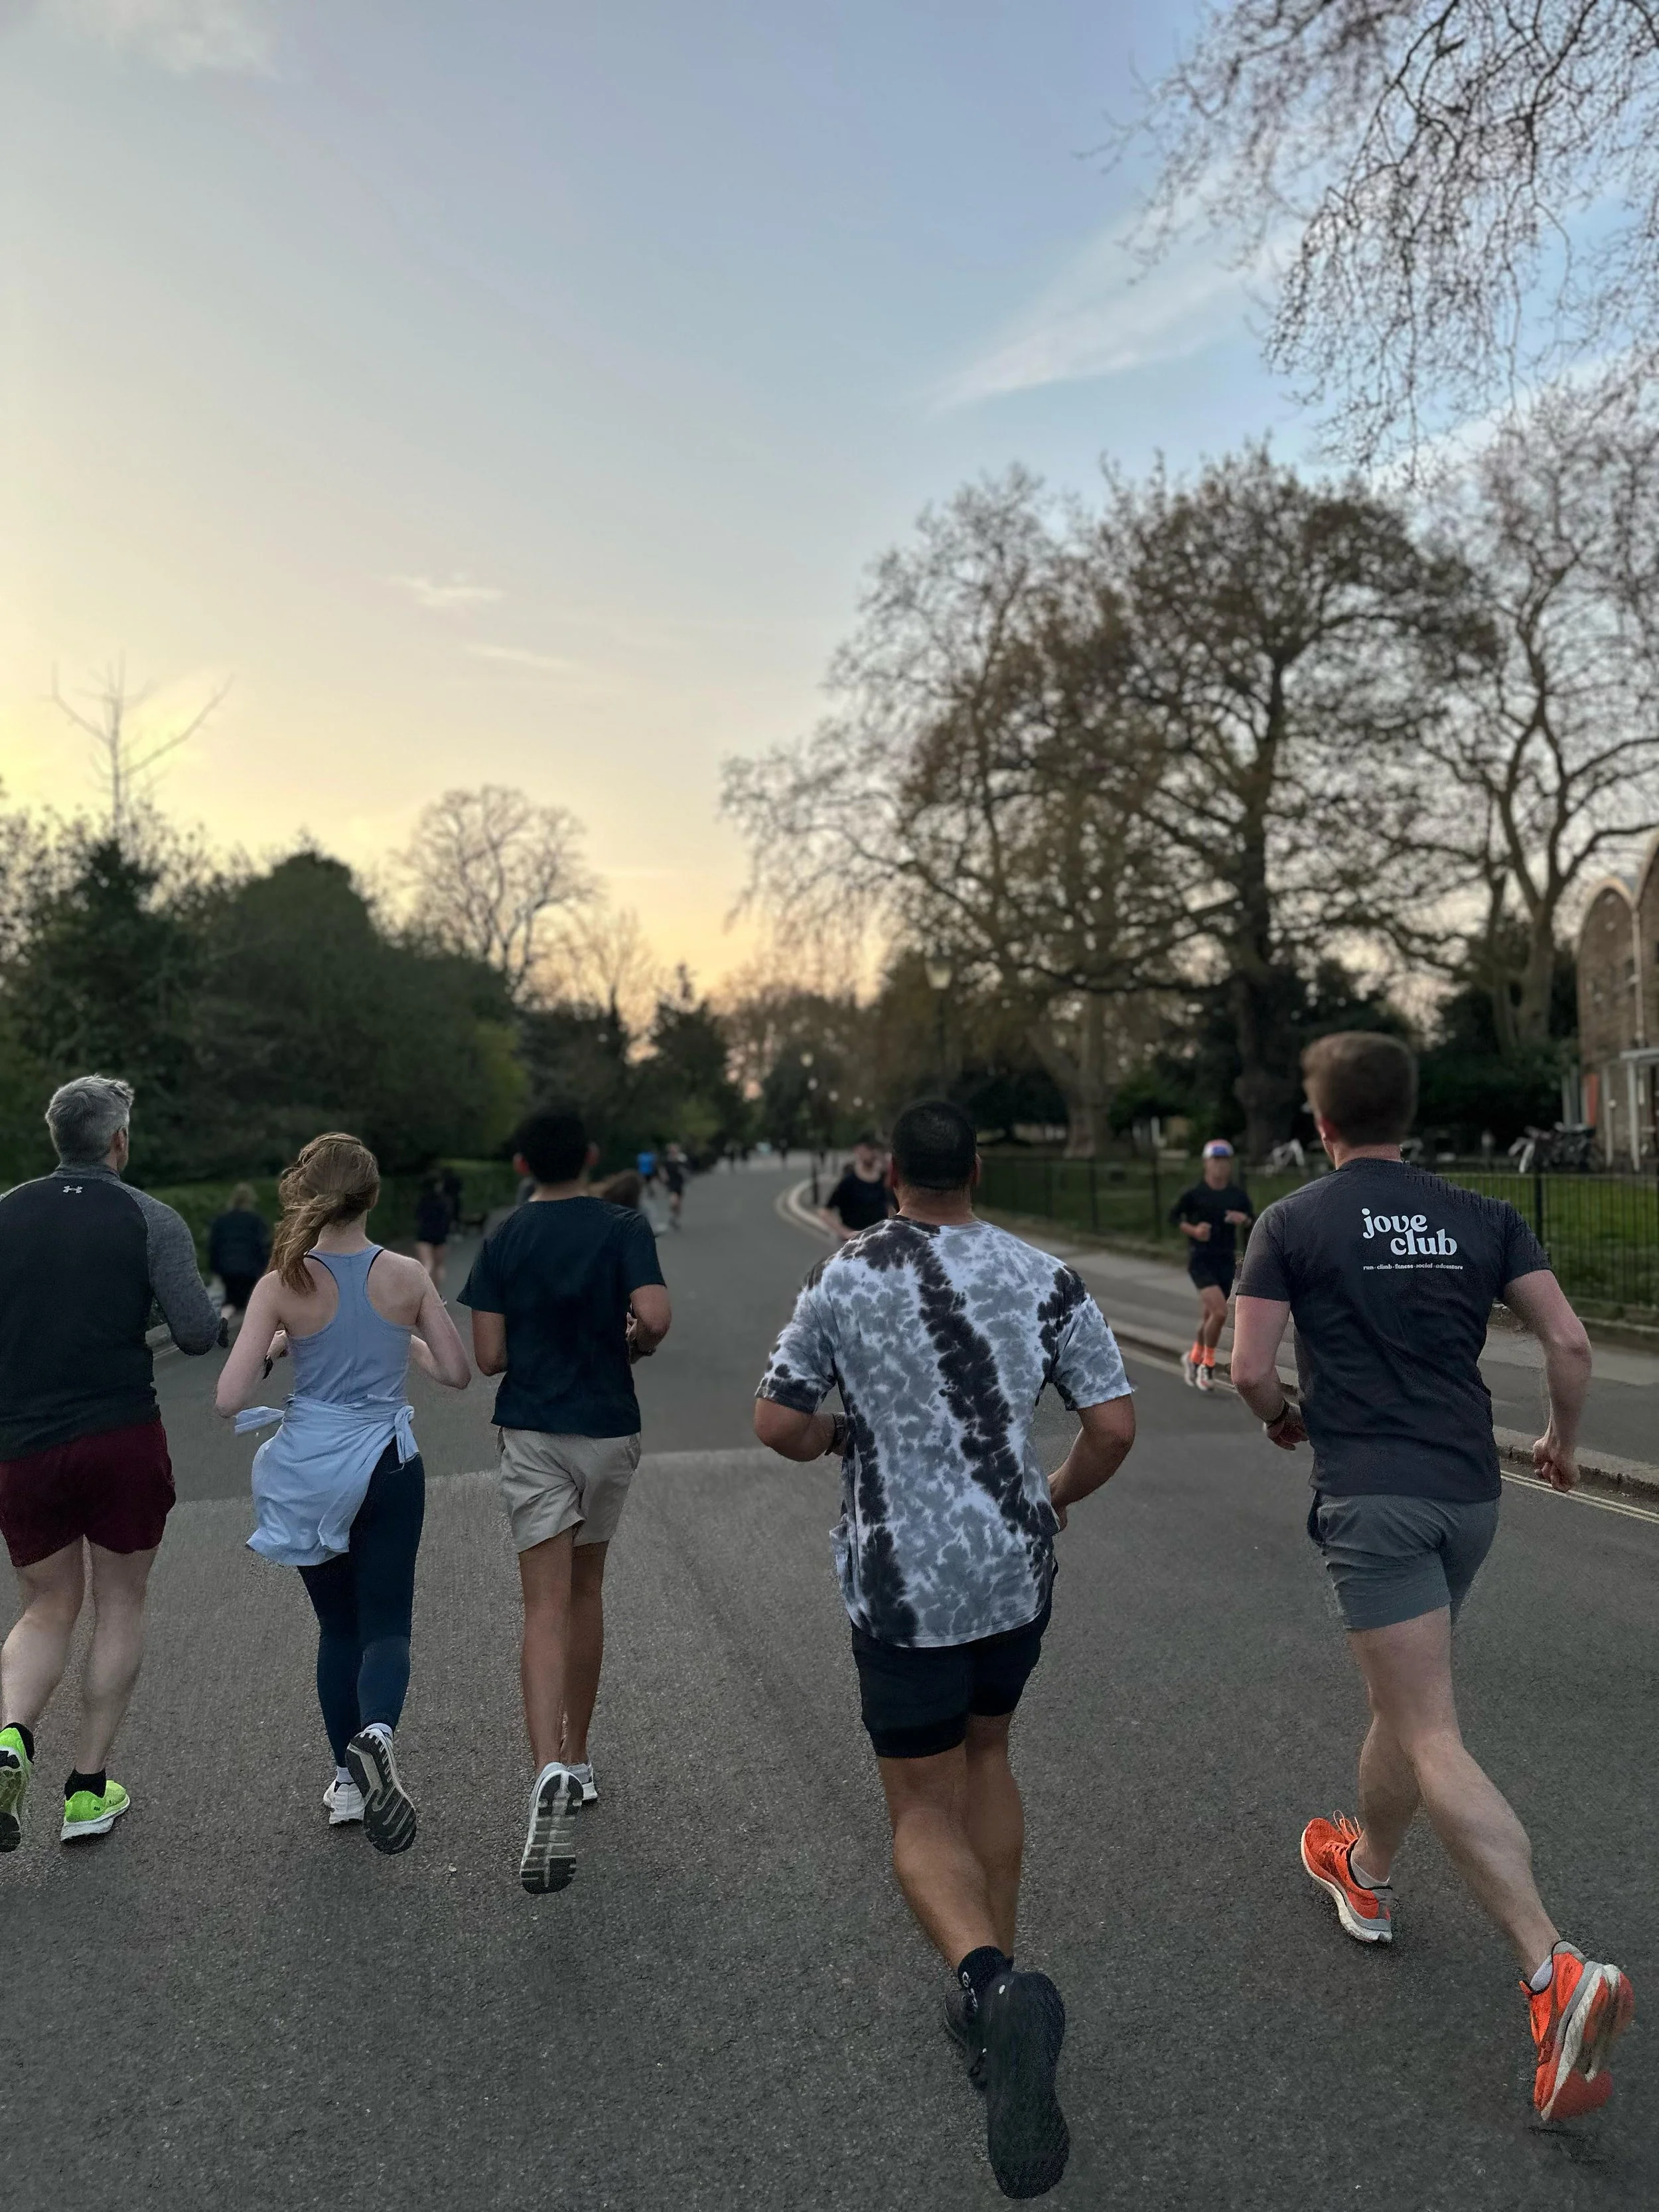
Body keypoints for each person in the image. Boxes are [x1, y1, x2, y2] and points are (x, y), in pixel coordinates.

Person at [1230, 1032, 1634, 2124]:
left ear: (1322, 1121)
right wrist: (1561, 1441)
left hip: (1375, 1497)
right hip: (1468, 1497)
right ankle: (1365, 1868)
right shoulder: (1483, 1213)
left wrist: (1283, 1418)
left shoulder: (1293, 1220)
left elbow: (1251, 1367)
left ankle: (1554, 1968)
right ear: (1408, 1113)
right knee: (1404, 1706)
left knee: (1430, 1729)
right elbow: (1570, 1342)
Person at [753, 1099, 1135, 2200]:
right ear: (976, 1168)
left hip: (903, 1578)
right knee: (990, 1754)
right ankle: (998, 2003)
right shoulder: (1044, 1274)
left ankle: (989, 1982)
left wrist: (841, 1432)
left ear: (892, 1176)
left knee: (922, 1806)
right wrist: (1053, 1494)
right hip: (1012, 1565)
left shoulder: (844, 1275)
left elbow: (778, 1421)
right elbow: (1113, 1425)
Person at [216, 1133, 470, 1852]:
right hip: (387, 1460)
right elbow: (456, 1372)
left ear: (305, 1192)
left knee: (338, 1628)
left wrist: (278, 1345)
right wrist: (404, 1339)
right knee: (387, 1625)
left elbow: (229, 1397)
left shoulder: (282, 1282)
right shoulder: (407, 1274)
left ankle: (347, 1783)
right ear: (373, 1194)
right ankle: (378, 1734)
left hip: (311, 1469)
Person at [0, 1075, 224, 1854]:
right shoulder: (150, 1218)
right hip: (120, 1434)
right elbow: (195, 1332)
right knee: (119, 1604)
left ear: (56, 1137)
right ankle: (89, 1791)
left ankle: (9, 1738)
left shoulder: (6, 1212)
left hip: (24, 1442)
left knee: (44, 1606)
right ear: (119, 1141)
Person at [460, 1106, 672, 1894]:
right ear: (590, 1154)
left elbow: (488, 1356)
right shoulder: (623, 1226)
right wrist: (631, 1341)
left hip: (534, 1432)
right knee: (587, 1589)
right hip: (607, 1428)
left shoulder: (504, 1239)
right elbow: (655, 1318)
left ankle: (544, 1767)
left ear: (522, 1164)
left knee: (541, 1606)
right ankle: (578, 1758)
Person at [1168, 1139, 1254, 1392]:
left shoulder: (1236, 1195)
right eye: (1216, 1160)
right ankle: (1207, 1366)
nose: (1221, 1166)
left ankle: (1193, 1358)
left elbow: (1252, 1219)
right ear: (1206, 1163)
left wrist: (1243, 1219)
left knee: (1209, 1317)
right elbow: (1174, 1217)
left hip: (1224, 1261)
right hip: (1200, 1260)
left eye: (1225, 1161)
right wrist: (1194, 1230)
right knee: (1220, 1313)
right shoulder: (1195, 1194)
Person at [208, 1182, 271, 1321]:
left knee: (231, 1301)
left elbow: (214, 1246)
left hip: (227, 1270)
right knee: (248, 1304)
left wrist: (216, 1269)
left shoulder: (221, 1221)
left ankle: (224, 1322)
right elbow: (262, 1246)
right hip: (250, 1270)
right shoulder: (256, 1221)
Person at [820, 1132, 895, 1240]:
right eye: (868, 1149)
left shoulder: (882, 1180)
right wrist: (845, 1233)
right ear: (858, 1150)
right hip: (854, 1243)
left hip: (877, 1241)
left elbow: (889, 1208)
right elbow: (825, 1212)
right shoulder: (849, 1181)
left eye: (874, 1149)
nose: (872, 1153)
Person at [414, 1173, 452, 1290]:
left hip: (424, 1234)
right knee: (439, 1266)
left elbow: (418, 1217)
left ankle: (424, 1290)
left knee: (427, 1264)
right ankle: (436, 1292)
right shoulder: (444, 1200)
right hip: (440, 1235)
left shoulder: (422, 1200)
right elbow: (448, 1218)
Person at [661, 1143, 689, 1230]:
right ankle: (671, 1216)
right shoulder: (667, 1160)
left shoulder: (682, 1159)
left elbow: (687, 1169)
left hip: (679, 1183)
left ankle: (674, 1219)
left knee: (679, 1205)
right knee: (674, 1202)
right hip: (671, 1183)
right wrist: (664, 1176)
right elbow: (663, 1169)